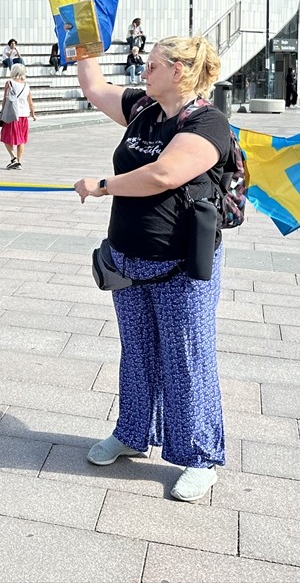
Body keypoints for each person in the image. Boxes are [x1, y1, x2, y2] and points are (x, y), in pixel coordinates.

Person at [72, 35, 232, 503]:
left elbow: (163, 174)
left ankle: (199, 458)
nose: (144, 71)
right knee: (137, 351)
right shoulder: (144, 108)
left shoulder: (207, 122)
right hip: (129, 258)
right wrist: (83, 29)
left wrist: (102, 185)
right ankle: (132, 433)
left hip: (181, 266)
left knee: (186, 359)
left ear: (179, 71)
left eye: (153, 65)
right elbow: (93, 86)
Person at [0, 63, 36, 169]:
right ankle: (19, 161)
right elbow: (31, 102)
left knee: (6, 137)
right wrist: (33, 114)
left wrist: (2, 111)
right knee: (21, 140)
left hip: (12, 114)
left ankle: (13, 158)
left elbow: (5, 99)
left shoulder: (9, 83)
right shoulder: (26, 85)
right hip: (24, 115)